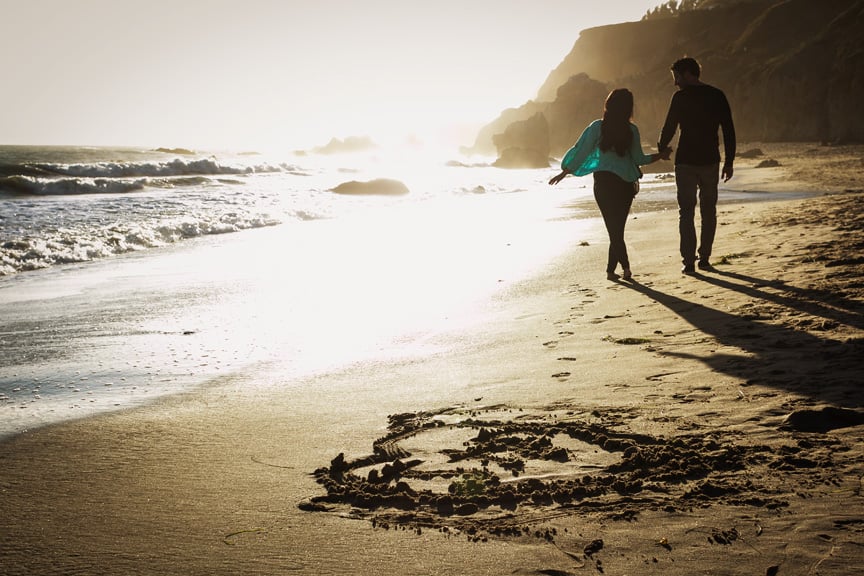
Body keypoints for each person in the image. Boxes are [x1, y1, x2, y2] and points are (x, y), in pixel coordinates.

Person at [549, 88, 670, 281]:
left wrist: (566, 169)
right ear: (629, 108)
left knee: (614, 230)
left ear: (608, 105)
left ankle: (621, 268)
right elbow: (640, 159)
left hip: (603, 184)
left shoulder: (597, 127)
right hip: (625, 185)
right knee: (617, 229)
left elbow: (580, 150)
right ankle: (614, 270)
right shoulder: (632, 130)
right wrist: (661, 156)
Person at [657, 56, 736, 274]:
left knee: (686, 212)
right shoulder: (717, 95)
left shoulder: (680, 98)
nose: (675, 82)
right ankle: (704, 258)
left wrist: (661, 147)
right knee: (708, 211)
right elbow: (728, 130)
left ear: (688, 74)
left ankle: (689, 262)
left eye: (677, 77)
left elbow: (669, 126)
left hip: (686, 163)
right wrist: (729, 161)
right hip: (710, 160)